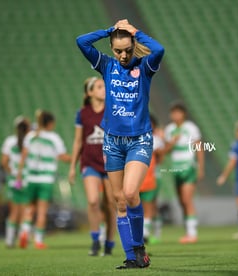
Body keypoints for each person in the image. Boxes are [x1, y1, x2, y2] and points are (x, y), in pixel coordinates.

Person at [77, 19, 164, 269]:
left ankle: (139, 247)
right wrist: (109, 31)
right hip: (113, 142)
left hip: (139, 140)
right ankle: (133, 256)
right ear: (112, 49)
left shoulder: (145, 67)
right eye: (118, 50)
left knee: (129, 193)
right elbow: (81, 41)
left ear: (134, 46)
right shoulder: (106, 65)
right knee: (119, 199)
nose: (123, 55)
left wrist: (135, 32)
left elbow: (159, 50)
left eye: (127, 49)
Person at [69, 77, 116, 256]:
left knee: (111, 203)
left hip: (111, 162)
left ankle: (110, 242)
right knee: (93, 201)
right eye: (98, 87)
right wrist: (73, 166)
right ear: (89, 93)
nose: (103, 89)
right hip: (89, 163)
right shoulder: (82, 113)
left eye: (103, 86)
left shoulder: (111, 110)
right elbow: (78, 141)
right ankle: (96, 240)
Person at [17, 110, 70, 249]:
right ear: (50, 123)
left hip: (31, 177)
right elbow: (62, 157)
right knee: (41, 210)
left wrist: (19, 175)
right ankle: (38, 240)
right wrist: (75, 158)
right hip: (45, 179)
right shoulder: (54, 138)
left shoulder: (30, 136)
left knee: (30, 208)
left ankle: (25, 232)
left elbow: (23, 157)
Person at [163, 102, 204, 244]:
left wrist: (200, 167)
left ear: (183, 114)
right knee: (182, 202)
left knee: (187, 200)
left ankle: (193, 233)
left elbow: (199, 147)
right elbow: (165, 151)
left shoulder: (190, 128)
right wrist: (172, 143)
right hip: (176, 167)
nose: (175, 115)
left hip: (188, 166)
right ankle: (188, 231)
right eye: (173, 113)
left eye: (178, 112)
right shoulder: (169, 129)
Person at [1, 116, 30, 248]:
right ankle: (23, 236)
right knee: (25, 211)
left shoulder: (9, 141)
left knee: (13, 212)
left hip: (13, 180)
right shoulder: (30, 141)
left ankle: (9, 240)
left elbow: (4, 162)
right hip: (27, 178)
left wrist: (12, 173)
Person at [139, 114, 164, 244]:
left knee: (152, 206)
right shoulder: (137, 136)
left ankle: (151, 233)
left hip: (152, 177)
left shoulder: (156, 140)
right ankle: (145, 233)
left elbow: (161, 157)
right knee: (140, 206)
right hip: (140, 178)